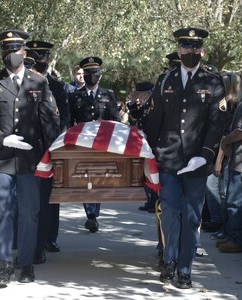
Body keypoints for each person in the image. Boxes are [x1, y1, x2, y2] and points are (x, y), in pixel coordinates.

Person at [0, 29, 60, 286]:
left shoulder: (38, 82)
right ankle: (5, 263)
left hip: (31, 160)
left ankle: (27, 262)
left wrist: (50, 154)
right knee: (4, 210)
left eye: (16, 50)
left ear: (24, 52)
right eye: (7, 50)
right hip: (2, 158)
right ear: (3, 53)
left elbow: (50, 122)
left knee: (30, 211)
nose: (11, 55)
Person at [146, 27, 227, 289]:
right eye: (185, 47)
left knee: (191, 218)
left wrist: (205, 155)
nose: (190, 52)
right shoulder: (166, 80)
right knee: (169, 212)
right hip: (168, 159)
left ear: (201, 50)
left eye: (195, 47)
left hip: (196, 161)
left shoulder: (213, 82)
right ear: (178, 50)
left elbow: (217, 123)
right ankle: (168, 261)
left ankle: (184, 269)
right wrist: (149, 152)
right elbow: (155, 121)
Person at [25, 40, 70, 264]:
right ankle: (27, 242)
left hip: (48, 149)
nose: (39, 62)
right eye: (35, 57)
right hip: (24, 150)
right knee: (26, 201)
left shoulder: (57, 86)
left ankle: (44, 241)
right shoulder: (21, 83)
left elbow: (64, 118)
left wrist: (56, 145)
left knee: (47, 200)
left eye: (42, 57)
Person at [68, 56, 121, 233]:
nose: (92, 76)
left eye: (95, 73)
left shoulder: (108, 95)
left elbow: (115, 120)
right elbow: (69, 122)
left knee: (98, 179)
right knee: (86, 179)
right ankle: (91, 215)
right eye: (89, 73)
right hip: (82, 145)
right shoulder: (75, 96)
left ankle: (93, 214)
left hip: (102, 145)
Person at [127, 81, 158, 213]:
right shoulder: (145, 106)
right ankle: (149, 200)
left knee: (152, 172)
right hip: (145, 143)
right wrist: (133, 103)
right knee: (145, 171)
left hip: (154, 143)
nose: (139, 96)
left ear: (148, 93)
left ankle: (155, 201)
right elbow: (135, 117)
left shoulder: (154, 105)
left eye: (141, 94)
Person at [216, 96, 242, 253]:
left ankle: (235, 239)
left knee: (235, 202)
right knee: (232, 201)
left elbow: (240, 131)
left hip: (240, 162)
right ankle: (232, 235)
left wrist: (226, 140)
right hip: (237, 160)